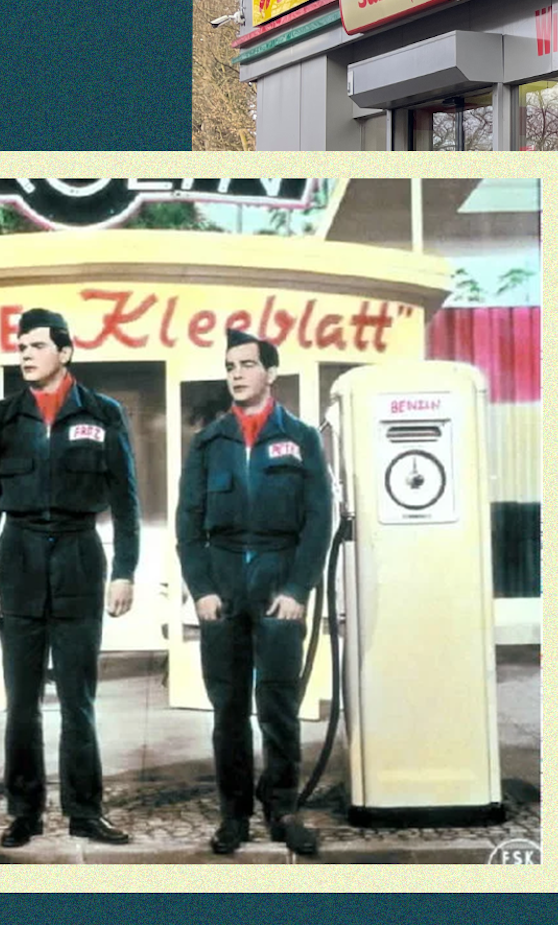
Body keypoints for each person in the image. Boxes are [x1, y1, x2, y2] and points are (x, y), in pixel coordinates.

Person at [0, 308, 139, 848]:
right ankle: (24, 811)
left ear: (65, 352)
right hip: (17, 560)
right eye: (21, 345)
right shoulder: (2, 417)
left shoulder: (104, 413)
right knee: (20, 701)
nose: (24, 354)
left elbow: (126, 500)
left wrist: (126, 572)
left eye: (36, 346)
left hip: (79, 559)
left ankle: (85, 812)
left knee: (78, 699)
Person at [175, 329, 332, 857]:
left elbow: (318, 521)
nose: (236, 374)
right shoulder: (208, 442)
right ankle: (233, 815)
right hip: (222, 587)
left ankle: (283, 808)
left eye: (246, 364)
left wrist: (297, 588)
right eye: (229, 366)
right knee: (228, 709)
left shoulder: (303, 437)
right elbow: (187, 524)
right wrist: (200, 589)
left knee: (280, 706)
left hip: (278, 584)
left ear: (271, 372)